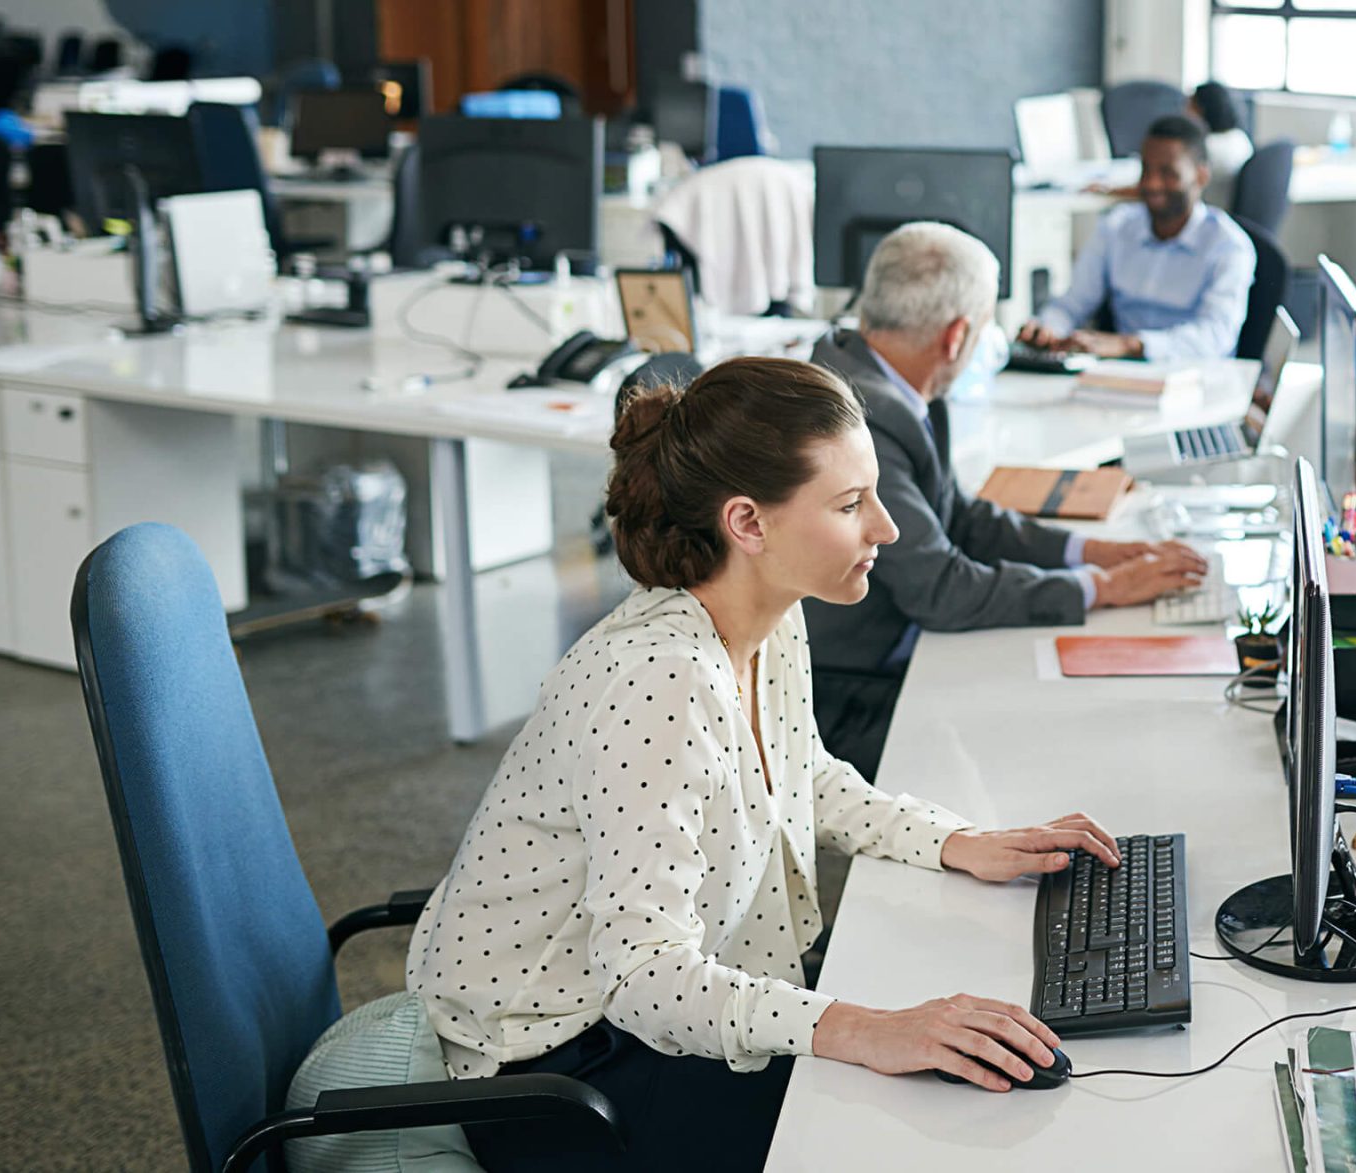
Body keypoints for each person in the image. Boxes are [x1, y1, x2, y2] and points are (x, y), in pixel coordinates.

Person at [408, 356, 1133, 1173]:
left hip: (653, 1016)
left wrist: (955, 840)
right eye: (851, 503)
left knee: (941, 1075)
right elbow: (644, 977)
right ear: (748, 523)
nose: (886, 529)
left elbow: (801, 773)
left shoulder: (766, 618)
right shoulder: (657, 681)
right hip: (556, 1073)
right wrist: (864, 1027)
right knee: (905, 1136)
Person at [806, 222, 1207, 777]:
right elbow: (941, 589)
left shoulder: (882, 377)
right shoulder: (861, 419)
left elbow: (962, 518)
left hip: (897, 652)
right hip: (851, 691)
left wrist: (1090, 552)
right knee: (1047, 740)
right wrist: (1105, 590)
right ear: (956, 337)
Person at [1019, 114, 1257, 361]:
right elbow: (1073, 303)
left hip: (1197, 376)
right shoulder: (1116, 228)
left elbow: (1214, 337)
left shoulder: (1229, 246)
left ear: (1200, 176)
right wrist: (1048, 327)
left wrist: (1133, 345)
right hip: (1124, 374)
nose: (1152, 184)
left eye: (1168, 173)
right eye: (1146, 170)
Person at [1188, 81, 1254, 205]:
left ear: (1202, 109)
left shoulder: (1207, 148)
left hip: (1209, 209)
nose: (1185, 112)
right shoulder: (1240, 138)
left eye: (1189, 106)